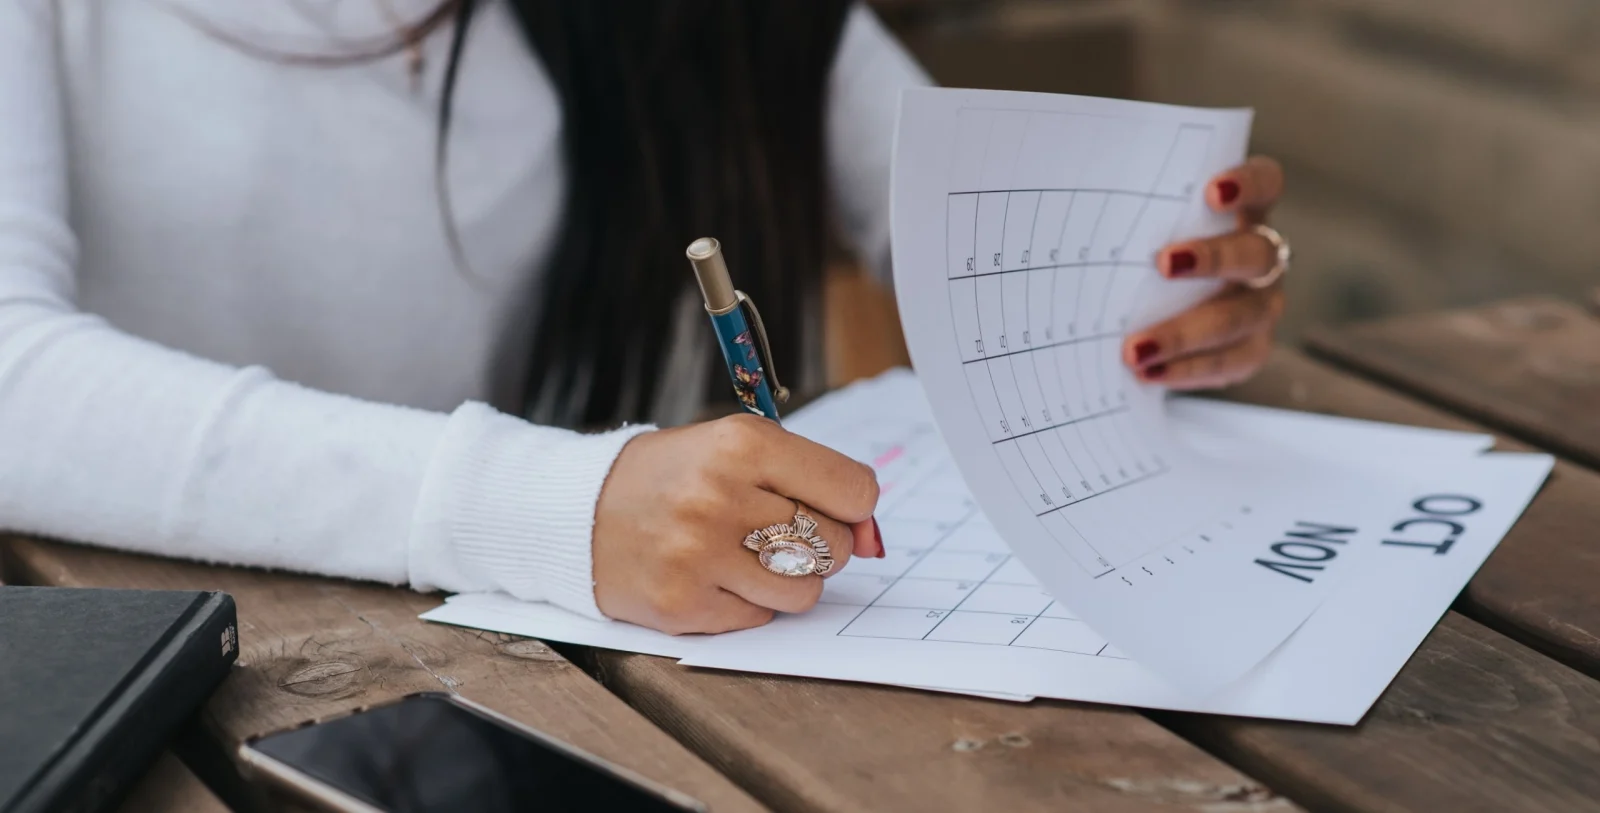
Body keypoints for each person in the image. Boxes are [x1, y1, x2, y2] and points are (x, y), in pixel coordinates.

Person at [0, 1, 1286, 635]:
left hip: (577, 679)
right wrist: (551, 503)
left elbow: (950, 226)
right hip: (167, 672)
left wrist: (1145, 292)